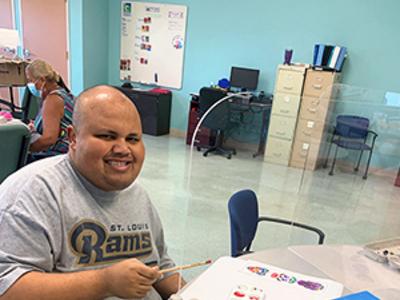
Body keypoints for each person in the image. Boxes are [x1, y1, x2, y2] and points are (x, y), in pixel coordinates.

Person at [0, 85, 183, 299]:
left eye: (132, 139)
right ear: (73, 138)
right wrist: (104, 282)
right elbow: (8, 288)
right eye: (107, 136)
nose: (123, 149)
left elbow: (160, 267)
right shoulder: (33, 194)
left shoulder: (136, 194)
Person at [25, 59, 74, 161]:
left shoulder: (53, 100)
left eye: (31, 80)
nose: (29, 84)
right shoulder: (63, 94)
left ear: (42, 80)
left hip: (57, 156)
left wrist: (25, 149)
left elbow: (49, 140)